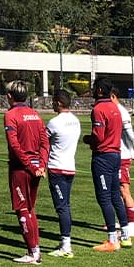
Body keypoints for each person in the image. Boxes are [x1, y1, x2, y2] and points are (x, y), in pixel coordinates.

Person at [83, 77, 132, 252]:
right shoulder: (115, 108)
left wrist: (87, 139)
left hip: (103, 156)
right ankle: (125, 235)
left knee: (104, 197)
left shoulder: (99, 109)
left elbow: (98, 136)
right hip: (116, 154)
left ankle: (112, 238)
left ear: (99, 91)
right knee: (114, 195)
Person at [3, 80, 49, 264]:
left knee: (22, 208)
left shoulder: (11, 115)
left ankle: (33, 253)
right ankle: (35, 249)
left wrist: (30, 166)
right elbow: (45, 142)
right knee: (30, 208)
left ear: (9, 96)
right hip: (36, 167)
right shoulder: (35, 115)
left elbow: (14, 145)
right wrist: (41, 165)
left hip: (21, 168)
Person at [45, 89, 82, 258]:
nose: (52, 104)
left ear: (59, 103)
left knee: (62, 207)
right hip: (70, 167)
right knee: (65, 205)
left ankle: (66, 246)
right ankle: (65, 243)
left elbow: (43, 143)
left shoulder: (54, 122)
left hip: (57, 168)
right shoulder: (76, 121)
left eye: (53, 102)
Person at [112, 87, 134, 238]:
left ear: (113, 96)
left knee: (124, 190)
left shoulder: (121, 112)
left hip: (122, 156)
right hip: (116, 155)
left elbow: (130, 135)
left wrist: (131, 150)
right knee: (116, 190)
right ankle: (122, 220)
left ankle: (131, 226)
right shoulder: (113, 110)